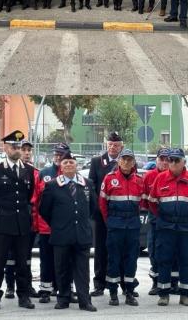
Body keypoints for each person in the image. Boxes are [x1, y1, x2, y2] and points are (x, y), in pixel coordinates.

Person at [0, 130, 35, 310]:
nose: (17, 149)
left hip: (21, 224)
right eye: (13, 146)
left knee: (22, 262)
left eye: (19, 146)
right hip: (3, 223)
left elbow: (29, 195)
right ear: (5, 147)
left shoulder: (28, 170)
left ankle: (23, 296)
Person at [39, 151, 98, 312]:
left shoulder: (87, 183)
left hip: (82, 234)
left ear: (76, 165)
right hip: (61, 234)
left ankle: (84, 301)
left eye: (71, 162)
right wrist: (58, 224)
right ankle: (63, 298)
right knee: (62, 268)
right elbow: (44, 210)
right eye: (65, 163)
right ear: (61, 166)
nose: (69, 164)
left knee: (82, 270)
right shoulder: (52, 185)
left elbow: (93, 207)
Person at [148, 148, 188, 307]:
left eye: (176, 160)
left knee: (185, 260)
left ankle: (185, 295)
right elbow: (152, 202)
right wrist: (163, 216)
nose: (172, 163)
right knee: (164, 260)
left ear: (184, 162)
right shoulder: (160, 178)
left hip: (185, 226)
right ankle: (164, 294)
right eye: (170, 160)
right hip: (165, 225)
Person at [99, 149, 144, 307]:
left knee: (131, 260)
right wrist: (110, 222)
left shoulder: (139, 180)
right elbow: (103, 204)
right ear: (118, 162)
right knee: (114, 260)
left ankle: (130, 293)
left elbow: (144, 203)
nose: (126, 162)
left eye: (129, 160)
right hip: (115, 225)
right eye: (123, 159)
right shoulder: (110, 178)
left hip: (132, 226)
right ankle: (113, 293)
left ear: (133, 163)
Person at [88, 131, 124, 297]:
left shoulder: (126, 161)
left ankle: (122, 283)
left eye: (116, 145)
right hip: (101, 215)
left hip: (120, 214)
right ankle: (99, 284)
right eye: (110, 144)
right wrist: (99, 207)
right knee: (101, 250)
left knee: (120, 249)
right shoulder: (96, 162)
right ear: (106, 144)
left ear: (121, 146)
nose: (113, 147)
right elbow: (91, 186)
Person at [4, 140, 39, 300]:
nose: (26, 153)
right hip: (10, 219)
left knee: (26, 256)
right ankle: (10, 286)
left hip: (28, 219)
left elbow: (36, 195)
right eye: (22, 149)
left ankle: (27, 285)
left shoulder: (34, 172)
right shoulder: (7, 169)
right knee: (10, 256)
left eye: (28, 150)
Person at [37, 143, 71, 303]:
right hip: (46, 227)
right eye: (56, 154)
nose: (57, 156)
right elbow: (37, 200)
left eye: (61, 154)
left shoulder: (71, 175)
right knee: (46, 259)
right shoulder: (44, 173)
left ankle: (65, 289)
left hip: (65, 228)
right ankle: (45, 289)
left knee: (65, 260)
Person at [142, 148, 178, 296]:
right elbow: (144, 200)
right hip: (156, 222)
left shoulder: (176, 175)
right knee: (154, 252)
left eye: (167, 159)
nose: (164, 162)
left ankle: (174, 283)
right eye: (161, 159)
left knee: (174, 252)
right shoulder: (149, 176)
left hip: (173, 222)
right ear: (156, 160)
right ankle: (156, 283)